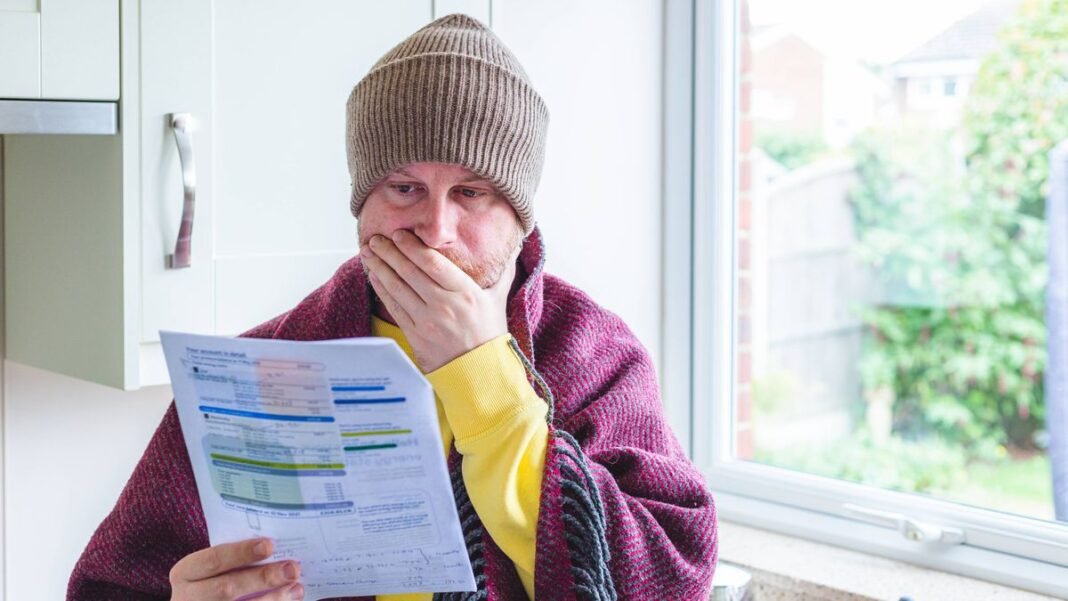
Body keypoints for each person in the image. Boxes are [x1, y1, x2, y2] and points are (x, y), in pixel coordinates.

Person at [67, 13, 718, 601]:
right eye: (405, 188)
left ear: (520, 217)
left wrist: (486, 382)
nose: (435, 229)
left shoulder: (594, 355)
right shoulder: (258, 370)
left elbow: (674, 575)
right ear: (363, 203)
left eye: (472, 192)